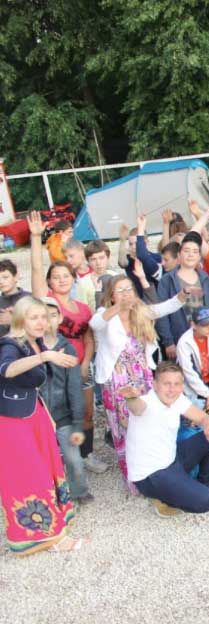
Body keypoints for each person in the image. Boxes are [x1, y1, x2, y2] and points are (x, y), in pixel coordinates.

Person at [0, 297, 85, 554]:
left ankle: (55, 524)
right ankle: (44, 536)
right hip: (13, 420)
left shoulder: (33, 341)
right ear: (20, 319)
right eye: (33, 317)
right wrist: (45, 356)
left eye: (43, 317)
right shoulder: (11, 343)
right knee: (29, 475)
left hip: (32, 414)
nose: (41, 322)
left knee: (47, 468)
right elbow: (6, 369)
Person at [91, 273, 189, 489]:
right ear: (112, 295)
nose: (126, 294)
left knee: (148, 420)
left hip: (142, 376)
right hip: (117, 379)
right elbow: (95, 324)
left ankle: (154, 469)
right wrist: (118, 307)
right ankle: (133, 478)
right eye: (120, 290)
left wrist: (183, 295)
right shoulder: (105, 314)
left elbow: (164, 308)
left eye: (129, 289)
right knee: (124, 427)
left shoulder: (140, 312)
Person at [29, 212, 99, 472]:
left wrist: (86, 363)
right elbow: (36, 270)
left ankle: (86, 454)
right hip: (54, 369)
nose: (61, 280)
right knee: (57, 416)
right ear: (50, 281)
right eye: (56, 276)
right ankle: (58, 460)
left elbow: (88, 337)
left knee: (87, 413)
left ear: (73, 278)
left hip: (80, 366)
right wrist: (35, 237)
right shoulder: (47, 301)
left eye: (65, 276)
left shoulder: (82, 307)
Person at [123, 362, 209, 517]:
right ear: (155, 385)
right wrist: (131, 398)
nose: (171, 389)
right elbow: (136, 407)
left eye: (176, 384)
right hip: (151, 475)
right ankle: (162, 498)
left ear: (182, 386)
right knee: (206, 501)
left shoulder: (178, 399)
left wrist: (208, 428)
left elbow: (204, 418)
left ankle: (206, 485)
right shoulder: (147, 401)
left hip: (172, 459)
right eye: (166, 384)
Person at [40, 297, 92, 504]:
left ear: (60, 318)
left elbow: (74, 389)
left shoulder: (68, 349)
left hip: (63, 416)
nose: (47, 321)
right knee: (44, 462)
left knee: (74, 460)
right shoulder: (29, 349)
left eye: (52, 315)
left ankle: (79, 491)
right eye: (42, 316)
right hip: (38, 417)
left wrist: (77, 423)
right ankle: (49, 497)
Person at [155, 232, 209, 359]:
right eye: (186, 251)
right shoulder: (167, 280)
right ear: (179, 255)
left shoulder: (204, 277)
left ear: (199, 256)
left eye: (195, 251)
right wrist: (168, 342)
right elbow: (161, 314)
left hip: (204, 336)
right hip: (179, 337)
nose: (190, 255)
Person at [176, 308, 209, 425]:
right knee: (208, 410)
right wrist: (208, 395)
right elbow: (189, 373)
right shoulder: (184, 342)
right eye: (205, 325)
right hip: (194, 384)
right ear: (193, 325)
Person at [0, 259, 30, 337]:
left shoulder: (29, 299)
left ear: (16, 277)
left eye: (5, 277)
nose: (1, 282)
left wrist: (15, 320)